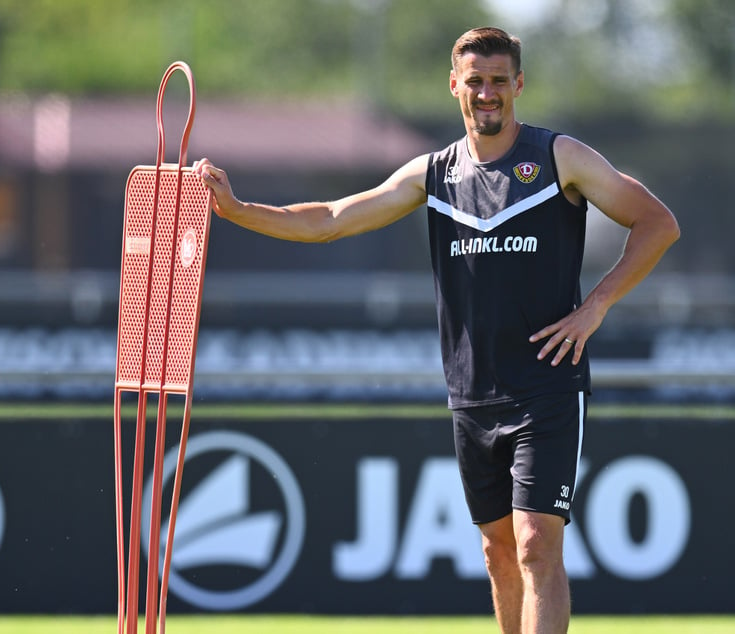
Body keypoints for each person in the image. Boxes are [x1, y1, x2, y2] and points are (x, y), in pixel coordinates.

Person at [195, 26, 679, 634]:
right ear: (454, 86)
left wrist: (598, 304)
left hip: (548, 389)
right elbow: (329, 221)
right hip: (472, 393)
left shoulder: (560, 158)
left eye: (499, 81)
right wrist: (238, 210)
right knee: (498, 552)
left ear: (519, 84)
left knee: (534, 544)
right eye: (474, 81)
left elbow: (657, 223)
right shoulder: (434, 174)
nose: (487, 93)